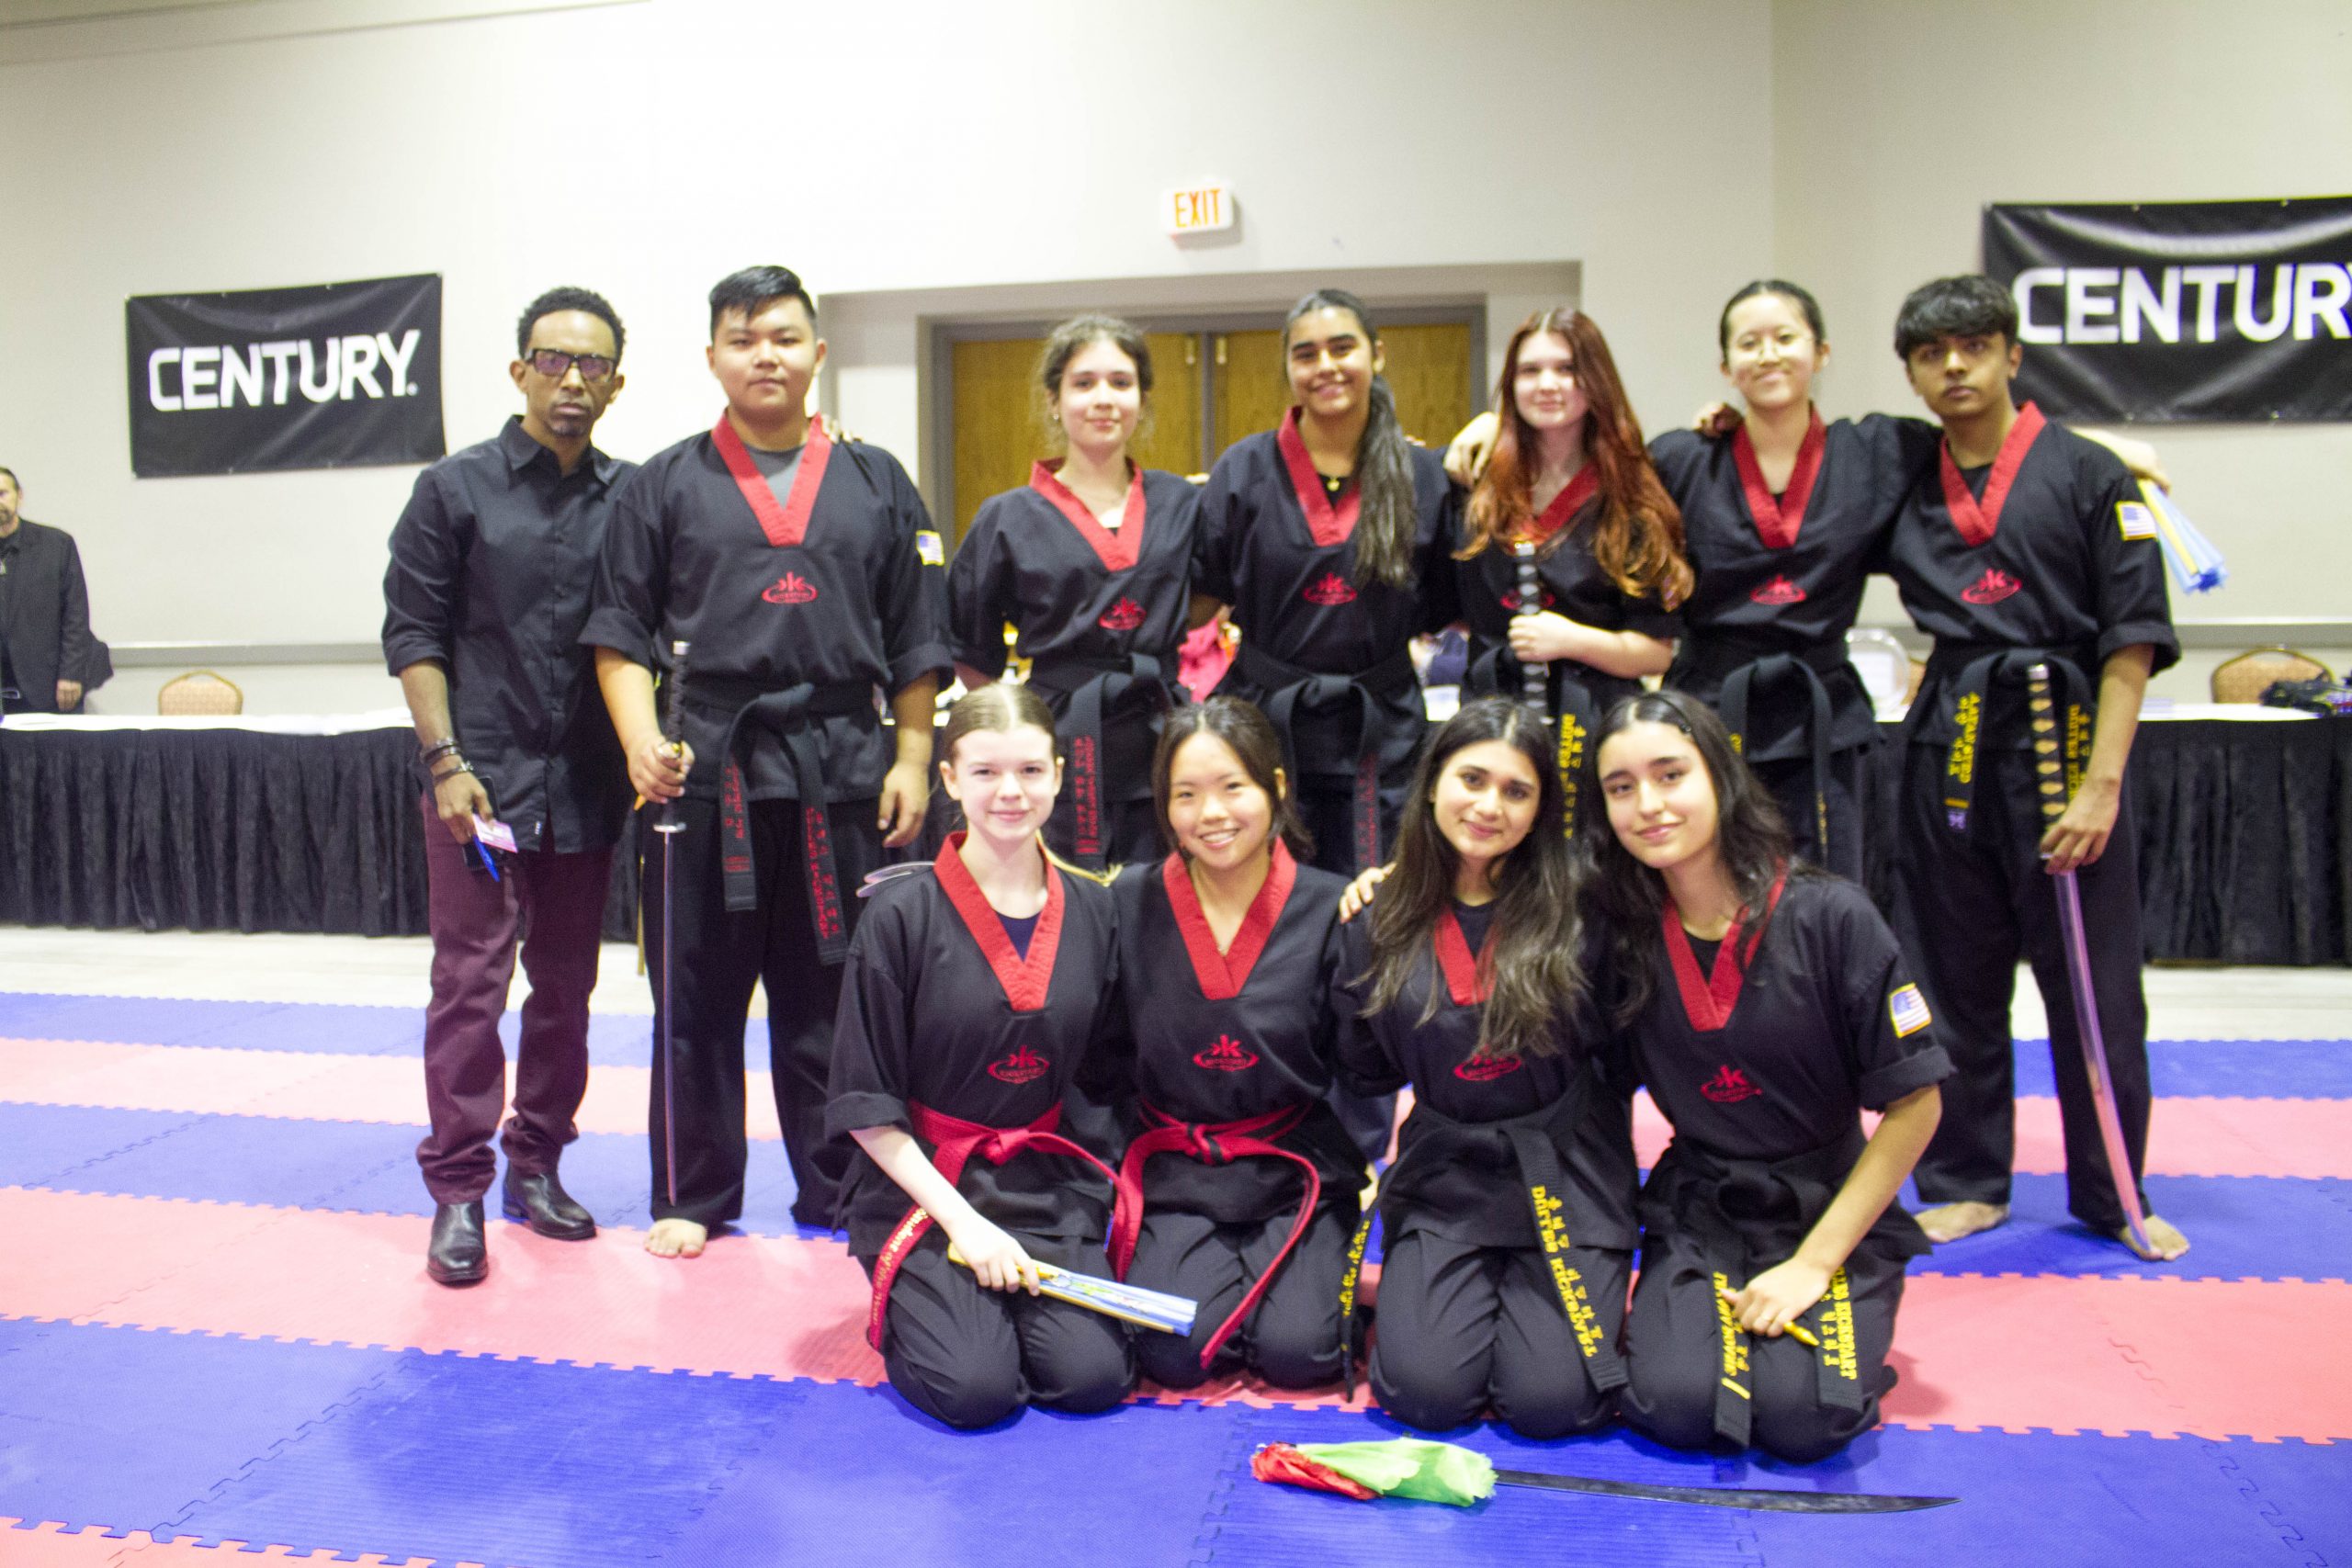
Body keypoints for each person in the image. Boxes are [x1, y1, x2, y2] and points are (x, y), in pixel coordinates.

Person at [1451, 282, 2171, 881]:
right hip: (1708, 713)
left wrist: (2108, 450)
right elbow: (1589, 449)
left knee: (1831, 898)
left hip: (1824, 712)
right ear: (1727, 366)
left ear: (1820, 353)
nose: (1768, 354)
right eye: (1750, 343)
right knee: (1706, 895)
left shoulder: (1878, 450)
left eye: (1785, 338)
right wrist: (1490, 422)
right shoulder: (1684, 458)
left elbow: (1984, 433)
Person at [582, 265, 951, 1258]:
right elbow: (618, 633)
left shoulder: (877, 480)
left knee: (833, 994)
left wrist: (913, 756)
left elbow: (919, 635)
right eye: (744, 340)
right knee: (693, 994)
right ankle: (691, 1192)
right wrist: (640, 743)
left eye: (784, 337)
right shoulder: (663, 483)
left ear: (817, 352)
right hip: (707, 768)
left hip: (845, 767)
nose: (766, 356)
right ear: (712, 357)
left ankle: (840, 1188)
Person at [1878, 276, 2188, 1260]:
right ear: (1912, 373)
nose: (1953, 367)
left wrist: (2102, 786)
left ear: (2012, 354)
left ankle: (2113, 1190)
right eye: (1931, 354)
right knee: (1950, 978)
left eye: (1974, 346)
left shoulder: (2091, 474)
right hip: (1949, 743)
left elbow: (2133, 641)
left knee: (2094, 986)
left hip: (2063, 738)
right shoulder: (1901, 472)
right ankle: (1966, 1182)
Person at [1589, 689, 1947, 1462]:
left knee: (1801, 1421)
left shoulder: (1833, 917)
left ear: (1719, 774)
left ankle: (1845, 1308)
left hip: (1826, 1201)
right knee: (1676, 1406)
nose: (1648, 804)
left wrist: (1814, 1264)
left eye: (1670, 774)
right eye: (1621, 787)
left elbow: (1918, 1102)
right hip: (1703, 1201)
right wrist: (1391, 882)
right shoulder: (1619, 934)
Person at [380, 287, 634, 1286]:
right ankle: (458, 1190)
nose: (572, 379)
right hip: (478, 789)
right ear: (520, 369)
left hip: (587, 790)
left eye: (592, 364)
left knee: (566, 990)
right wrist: (445, 762)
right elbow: (413, 633)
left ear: (617, 383)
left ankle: (537, 1163)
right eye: (553, 359)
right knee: (470, 987)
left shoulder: (634, 499)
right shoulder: (454, 490)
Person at [827, 682, 1133, 1428]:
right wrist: (965, 1224)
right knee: (976, 1389)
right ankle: (931, 1308)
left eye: (1029, 770)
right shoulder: (899, 914)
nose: (1010, 792)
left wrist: (1090, 1200)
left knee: (1093, 1376)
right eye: (986, 771)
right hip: (924, 1190)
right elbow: (866, 1105)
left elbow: (1105, 1076)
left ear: (1059, 774)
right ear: (950, 778)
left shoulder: (1095, 907)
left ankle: (999, 1314)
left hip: (1043, 1186)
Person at [1331, 695, 1636, 1438]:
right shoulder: (1379, 916)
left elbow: (1624, 1053)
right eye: (1472, 779)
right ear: (1433, 781)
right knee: (1423, 1393)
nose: (1489, 805)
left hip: (1568, 1172)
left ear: (1541, 809)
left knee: (1553, 1402)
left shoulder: (1587, 905)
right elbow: (1365, 1067)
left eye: (1516, 790)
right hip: (1448, 1176)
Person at [1106, 696, 1360, 1390]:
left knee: (1301, 1353)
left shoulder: (1334, 906)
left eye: (1232, 787)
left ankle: (1289, 1290)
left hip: (1294, 1165)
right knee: (1172, 1355)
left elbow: (1365, 1067)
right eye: (1186, 794)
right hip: (1178, 1169)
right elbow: (1103, 1058)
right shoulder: (1126, 901)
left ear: (1275, 787)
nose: (1211, 813)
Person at [1192, 288, 1456, 879]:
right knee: (1267, 893)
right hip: (1267, 721)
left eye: (1342, 348)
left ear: (1377, 355)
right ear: (1288, 368)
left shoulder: (1423, 477)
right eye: (1306, 354)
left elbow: (1441, 605)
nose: (1326, 367)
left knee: (1380, 895)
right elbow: (1203, 594)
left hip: (1381, 726)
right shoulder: (1243, 472)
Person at [949, 315, 1201, 871]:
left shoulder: (1181, 503)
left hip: (1160, 728)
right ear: (1054, 400)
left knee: (1162, 899)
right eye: (1084, 383)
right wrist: (1018, 729)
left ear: (1142, 399)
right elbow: (969, 647)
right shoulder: (1007, 516)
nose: (1103, 398)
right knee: (1064, 897)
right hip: (1059, 731)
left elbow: (1211, 595)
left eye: (1121, 382)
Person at [1450, 309, 1688, 829]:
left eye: (1566, 369)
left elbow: (1655, 652)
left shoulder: (1633, 497)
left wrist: (1570, 640)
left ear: (1596, 380)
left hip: (1597, 728)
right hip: (1494, 725)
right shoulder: (1476, 482)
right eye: (1530, 371)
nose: (1547, 384)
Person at [0, 468, 108, 716]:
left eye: (2, 493)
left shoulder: (56, 545)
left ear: (19, 496)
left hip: (49, 686)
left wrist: (71, 674)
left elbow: (75, 614)